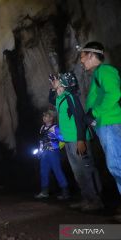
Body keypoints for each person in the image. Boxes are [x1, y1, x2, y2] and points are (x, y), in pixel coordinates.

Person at [49, 72, 104, 211]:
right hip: (68, 140)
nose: (56, 82)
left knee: (86, 169)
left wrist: (80, 139)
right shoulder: (60, 98)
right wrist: (52, 88)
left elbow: (79, 118)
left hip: (77, 139)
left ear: (64, 84)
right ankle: (87, 198)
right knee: (78, 171)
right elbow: (51, 99)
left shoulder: (70, 97)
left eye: (58, 81)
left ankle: (96, 201)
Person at [79, 41, 121, 219]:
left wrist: (94, 112)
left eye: (82, 56)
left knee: (117, 165)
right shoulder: (98, 73)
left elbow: (114, 93)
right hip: (106, 125)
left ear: (91, 55)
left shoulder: (104, 71)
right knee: (116, 165)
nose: (81, 61)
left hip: (110, 124)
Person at [34, 110, 70, 200]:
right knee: (43, 172)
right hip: (44, 154)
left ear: (51, 118)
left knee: (57, 171)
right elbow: (41, 141)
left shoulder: (56, 128)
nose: (44, 118)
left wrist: (56, 147)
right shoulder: (42, 128)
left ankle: (65, 192)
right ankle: (44, 192)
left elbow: (63, 140)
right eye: (44, 116)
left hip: (53, 153)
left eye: (46, 116)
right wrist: (39, 151)